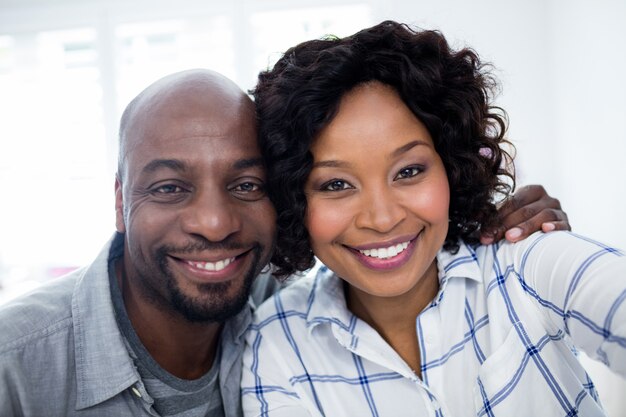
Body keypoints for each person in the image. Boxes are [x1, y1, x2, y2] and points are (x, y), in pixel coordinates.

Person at [0, 67, 566, 416]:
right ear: (121, 203)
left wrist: (492, 224)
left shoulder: (287, 310)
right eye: (171, 188)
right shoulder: (16, 368)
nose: (215, 223)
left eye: (247, 184)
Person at [241, 21, 626, 416]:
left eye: (408, 171)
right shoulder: (278, 342)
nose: (383, 218)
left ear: (451, 166)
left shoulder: (524, 263)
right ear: (293, 199)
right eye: (337, 184)